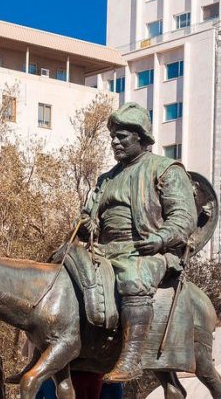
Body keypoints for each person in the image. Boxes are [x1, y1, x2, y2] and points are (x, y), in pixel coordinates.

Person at [79, 102, 197, 382]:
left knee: (132, 278)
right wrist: (87, 225)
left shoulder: (166, 169)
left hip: (146, 252)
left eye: (122, 136)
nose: (114, 142)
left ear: (141, 137)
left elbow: (184, 216)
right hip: (103, 251)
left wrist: (160, 239)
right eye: (112, 137)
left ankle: (131, 359)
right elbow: (88, 215)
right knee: (62, 270)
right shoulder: (106, 179)